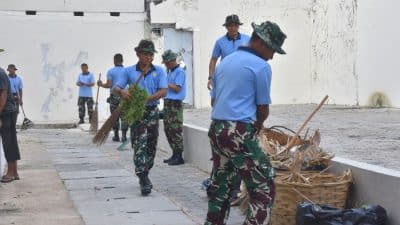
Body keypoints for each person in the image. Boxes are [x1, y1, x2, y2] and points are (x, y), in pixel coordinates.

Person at [204, 21, 287, 225]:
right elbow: (262, 109)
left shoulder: (226, 62)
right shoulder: (261, 67)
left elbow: (214, 100)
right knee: (264, 186)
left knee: (221, 186)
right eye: (272, 49)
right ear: (259, 42)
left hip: (217, 128)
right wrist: (257, 126)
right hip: (239, 131)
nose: (272, 55)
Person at [113, 40, 167, 196]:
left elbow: (163, 91)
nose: (149, 57)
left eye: (151, 54)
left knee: (151, 146)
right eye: (146, 54)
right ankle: (143, 178)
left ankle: (145, 171)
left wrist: (147, 98)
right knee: (139, 144)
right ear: (138, 54)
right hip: (137, 113)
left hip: (152, 112)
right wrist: (123, 92)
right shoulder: (129, 71)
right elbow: (116, 88)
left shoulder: (160, 71)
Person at [207, 14, 250, 90]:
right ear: (226, 27)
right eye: (230, 25)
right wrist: (211, 78)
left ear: (238, 26)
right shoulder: (220, 42)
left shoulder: (247, 39)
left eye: (235, 25)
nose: (233, 28)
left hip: (244, 78)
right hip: (225, 78)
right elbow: (213, 60)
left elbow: (253, 57)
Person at [161, 50, 186, 166]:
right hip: (168, 103)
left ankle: (179, 155)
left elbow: (177, 88)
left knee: (175, 130)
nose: (165, 64)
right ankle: (174, 153)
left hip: (175, 104)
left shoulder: (179, 71)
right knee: (168, 129)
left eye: (167, 62)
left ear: (172, 61)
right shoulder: (170, 72)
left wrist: (164, 83)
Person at [98, 54, 129, 142]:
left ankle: (116, 136)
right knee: (125, 116)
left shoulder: (111, 71)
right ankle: (124, 136)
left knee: (114, 116)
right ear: (122, 60)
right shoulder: (127, 71)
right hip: (125, 95)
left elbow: (109, 85)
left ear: (114, 61)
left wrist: (101, 85)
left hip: (114, 96)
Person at [0, 59, 21, 183]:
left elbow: (3, 94)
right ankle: (15, 172)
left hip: (6, 113)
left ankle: (11, 172)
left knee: (8, 142)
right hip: (7, 111)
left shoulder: (0, 73)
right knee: (11, 141)